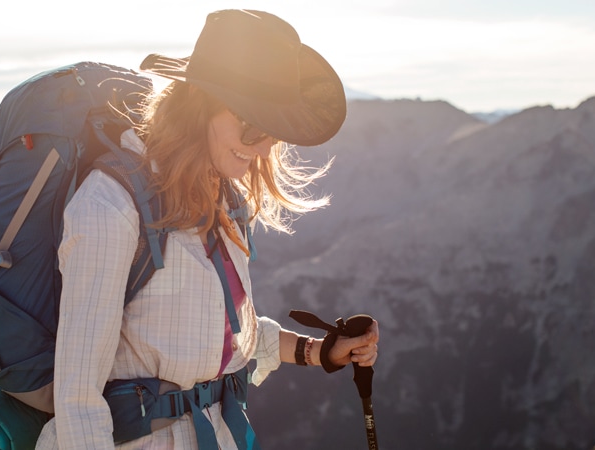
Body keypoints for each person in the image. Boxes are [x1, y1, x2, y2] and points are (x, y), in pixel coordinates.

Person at [36, 9, 380, 449]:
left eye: (273, 128)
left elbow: (219, 337)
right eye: (252, 124)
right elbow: (78, 398)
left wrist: (321, 351)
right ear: (197, 108)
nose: (263, 147)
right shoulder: (111, 204)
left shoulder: (221, 197)